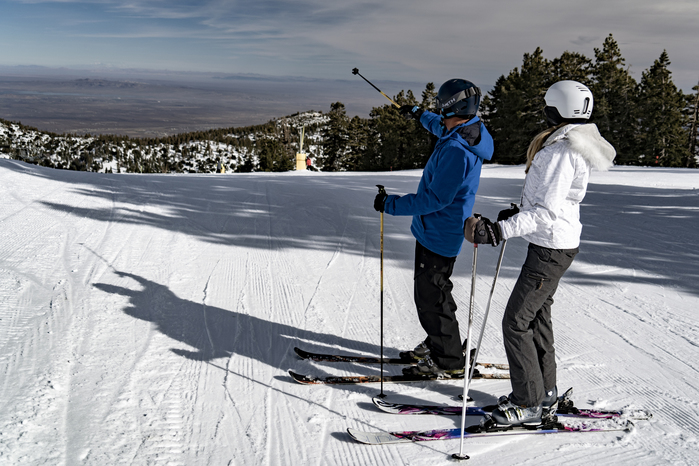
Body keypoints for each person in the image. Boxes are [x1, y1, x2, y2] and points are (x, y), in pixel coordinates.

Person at [463, 80, 616, 426]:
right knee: (536, 317)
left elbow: (546, 212)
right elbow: (550, 202)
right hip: (555, 242)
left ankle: (529, 403)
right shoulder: (571, 145)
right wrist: (518, 214)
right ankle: (543, 392)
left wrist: (500, 230)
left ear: (557, 108)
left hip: (551, 246)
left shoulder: (559, 151)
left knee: (515, 323)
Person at [374, 78, 494, 378]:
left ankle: (449, 359)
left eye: (441, 107)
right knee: (435, 291)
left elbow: (435, 199)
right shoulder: (467, 131)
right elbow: (440, 127)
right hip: (436, 229)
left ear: (453, 107)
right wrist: (418, 114)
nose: (438, 113)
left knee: (431, 297)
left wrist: (390, 204)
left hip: (440, 230)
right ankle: (441, 341)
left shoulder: (457, 149)